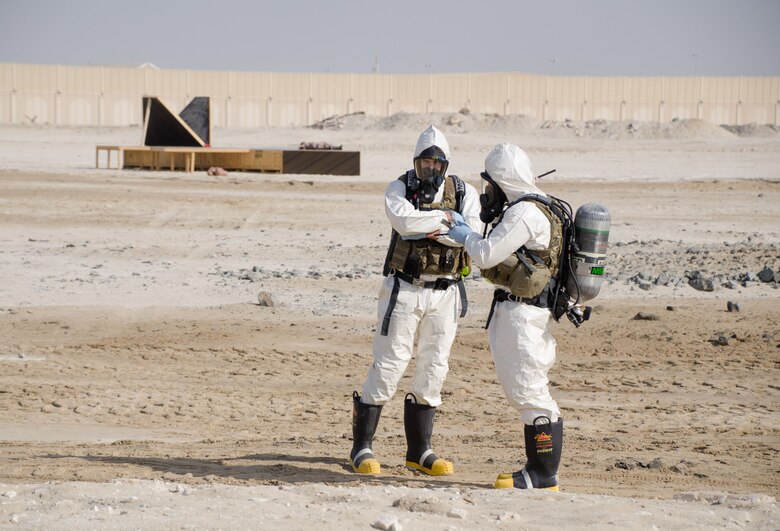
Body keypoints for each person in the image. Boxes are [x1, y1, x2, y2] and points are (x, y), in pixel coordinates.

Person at [350, 125, 481, 476]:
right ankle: (361, 446)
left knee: (434, 367)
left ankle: (419, 451)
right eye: (425, 162)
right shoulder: (399, 188)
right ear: (416, 162)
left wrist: (444, 229)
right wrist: (447, 221)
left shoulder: (464, 192)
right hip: (404, 289)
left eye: (436, 163)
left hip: (446, 293)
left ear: (446, 164)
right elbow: (405, 223)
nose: (430, 169)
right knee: (389, 365)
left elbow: (471, 235)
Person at [447, 143, 564, 491]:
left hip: (523, 316)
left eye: (490, 184)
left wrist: (464, 234)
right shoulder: (538, 207)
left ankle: (542, 474)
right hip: (526, 312)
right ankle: (539, 471)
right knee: (528, 389)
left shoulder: (525, 212)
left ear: (502, 181)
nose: (488, 192)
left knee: (529, 391)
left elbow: (486, 254)